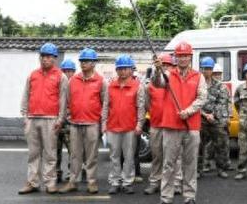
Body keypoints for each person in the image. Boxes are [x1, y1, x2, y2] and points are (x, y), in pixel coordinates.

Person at [151, 41, 207, 204]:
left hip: (191, 125)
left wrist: (189, 111)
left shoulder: (199, 76)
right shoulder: (168, 74)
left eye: (186, 56)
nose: (183, 58)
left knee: (190, 164)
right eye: (180, 56)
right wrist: (157, 69)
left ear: (190, 57)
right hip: (170, 125)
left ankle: (189, 197)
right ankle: (166, 197)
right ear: (176, 58)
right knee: (169, 163)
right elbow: (156, 83)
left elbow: (202, 97)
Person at [18, 43, 68, 195]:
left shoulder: (61, 76)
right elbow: (26, 95)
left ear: (55, 58)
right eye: (43, 56)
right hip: (32, 118)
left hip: (50, 119)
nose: (45, 59)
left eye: (48, 56)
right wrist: (25, 116)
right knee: (33, 153)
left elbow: (63, 100)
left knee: (50, 153)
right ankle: (32, 182)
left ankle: (50, 182)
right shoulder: (32, 75)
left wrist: (60, 119)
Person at [59, 48, 107, 194]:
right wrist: (66, 116)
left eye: (86, 61)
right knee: (74, 155)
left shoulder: (101, 81)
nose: (83, 64)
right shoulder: (73, 80)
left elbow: (105, 103)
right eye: (82, 61)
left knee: (91, 156)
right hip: (75, 123)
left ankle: (92, 182)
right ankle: (72, 181)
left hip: (92, 123)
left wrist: (103, 123)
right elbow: (66, 100)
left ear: (94, 63)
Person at [102, 55, 145, 195]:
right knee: (114, 156)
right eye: (119, 69)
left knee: (128, 156)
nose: (122, 71)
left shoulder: (138, 86)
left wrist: (139, 124)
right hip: (113, 126)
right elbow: (106, 106)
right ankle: (115, 181)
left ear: (131, 70)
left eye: (125, 68)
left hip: (130, 127)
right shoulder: (111, 86)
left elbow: (140, 107)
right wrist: (103, 123)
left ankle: (127, 181)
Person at [144, 53, 182, 195]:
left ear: (173, 67)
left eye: (168, 65)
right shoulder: (151, 86)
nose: (165, 68)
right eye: (163, 65)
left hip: (172, 125)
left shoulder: (176, 84)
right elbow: (147, 105)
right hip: (156, 125)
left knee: (175, 157)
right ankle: (155, 182)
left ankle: (177, 183)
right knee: (157, 156)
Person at [198, 57, 230, 179]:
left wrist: (212, 115)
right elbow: (193, 101)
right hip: (200, 119)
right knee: (199, 146)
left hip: (216, 120)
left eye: (209, 69)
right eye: (205, 68)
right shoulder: (197, 84)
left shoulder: (220, 86)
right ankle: (198, 170)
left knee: (220, 145)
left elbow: (222, 102)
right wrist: (205, 114)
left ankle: (221, 169)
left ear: (212, 70)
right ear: (201, 69)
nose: (207, 71)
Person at [56, 59, 75, 184]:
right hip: (56, 122)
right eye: (65, 71)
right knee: (54, 150)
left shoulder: (77, 85)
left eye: (70, 71)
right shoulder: (56, 85)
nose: (68, 73)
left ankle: (71, 172)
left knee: (73, 150)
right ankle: (56, 172)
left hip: (70, 123)